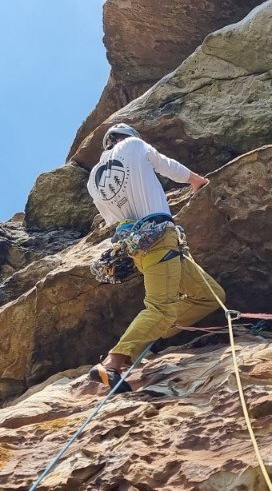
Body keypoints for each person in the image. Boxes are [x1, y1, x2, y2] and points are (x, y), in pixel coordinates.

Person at [85, 122, 225, 388]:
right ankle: (112, 364)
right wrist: (196, 180)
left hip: (138, 245)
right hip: (160, 237)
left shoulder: (93, 179)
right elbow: (165, 165)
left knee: (210, 296)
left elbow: (113, 218)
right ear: (129, 137)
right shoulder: (134, 145)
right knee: (161, 308)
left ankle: (150, 333)